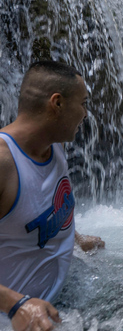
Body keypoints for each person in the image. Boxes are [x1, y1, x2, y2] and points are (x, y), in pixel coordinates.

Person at [0, 60, 105, 331]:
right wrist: (16, 305)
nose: (85, 114)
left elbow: (39, 207)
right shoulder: (3, 162)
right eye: (83, 103)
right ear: (56, 103)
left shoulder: (53, 145)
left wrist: (76, 239)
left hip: (57, 306)